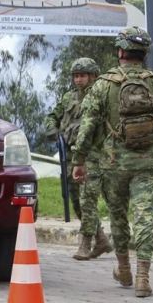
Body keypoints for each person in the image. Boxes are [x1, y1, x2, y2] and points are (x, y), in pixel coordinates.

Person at [71, 27, 153, 297]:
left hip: (113, 163)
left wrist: (79, 160)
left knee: (118, 216)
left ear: (120, 51)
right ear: (143, 54)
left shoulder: (103, 84)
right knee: (145, 216)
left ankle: (124, 269)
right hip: (149, 162)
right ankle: (143, 278)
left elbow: (87, 126)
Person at [43, 57, 113, 261]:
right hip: (71, 157)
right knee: (76, 201)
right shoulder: (68, 98)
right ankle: (101, 240)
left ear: (93, 76)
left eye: (82, 76)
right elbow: (51, 117)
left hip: (93, 156)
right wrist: (53, 132)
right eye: (76, 76)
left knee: (87, 199)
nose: (78, 80)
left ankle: (86, 242)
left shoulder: (100, 98)